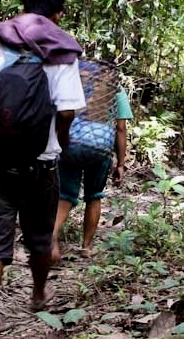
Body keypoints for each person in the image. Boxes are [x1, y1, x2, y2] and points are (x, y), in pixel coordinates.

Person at [0, 0, 84, 337]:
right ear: (57, 14)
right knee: (40, 237)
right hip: (42, 162)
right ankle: (38, 294)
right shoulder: (62, 51)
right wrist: (62, 142)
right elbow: (67, 112)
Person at [52, 61, 132, 258]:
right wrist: (121, 163)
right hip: (101, 146)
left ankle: (50, 236)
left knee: (65, 196)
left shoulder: (73, 83)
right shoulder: (114, 89)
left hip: (71, 142)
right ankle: (86, 247)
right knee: (94, 196)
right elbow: (120, 128)